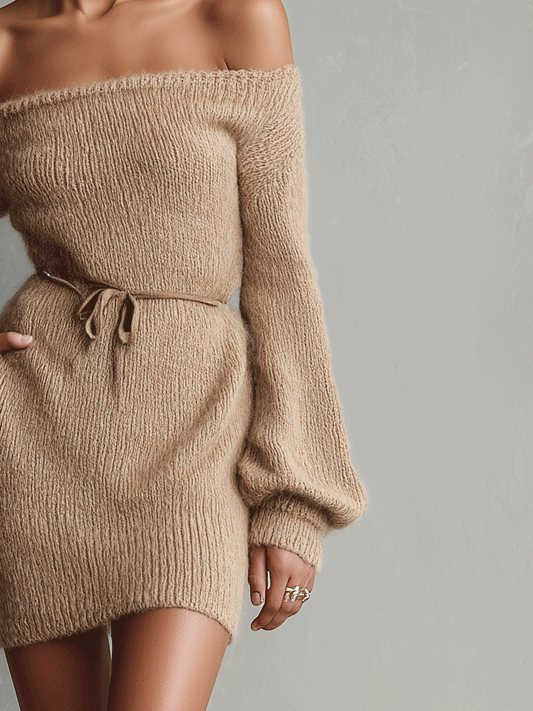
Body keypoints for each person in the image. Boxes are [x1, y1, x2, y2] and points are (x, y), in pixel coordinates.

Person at [0, 0, 369, 709]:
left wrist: (296, 500)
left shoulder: (235, 17)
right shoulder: (7, 43)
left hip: (193, 440)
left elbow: (280, 269)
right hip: (35, 444)